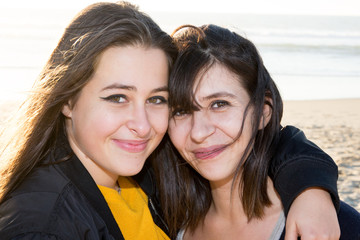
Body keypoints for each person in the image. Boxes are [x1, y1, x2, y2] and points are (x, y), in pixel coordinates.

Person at [0, 2, 343, 239]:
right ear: (68, 99)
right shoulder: (43, 226)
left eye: (158, 100)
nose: (143, 124)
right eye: (118, 97)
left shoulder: (150, 178)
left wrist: (310, 186)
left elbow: (273, 139)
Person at [153, 24, 360, 239]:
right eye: (181, 111)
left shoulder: (327, 227)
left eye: (219, 104)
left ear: (263, 112)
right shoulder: (162, 220)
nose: (198, 132)